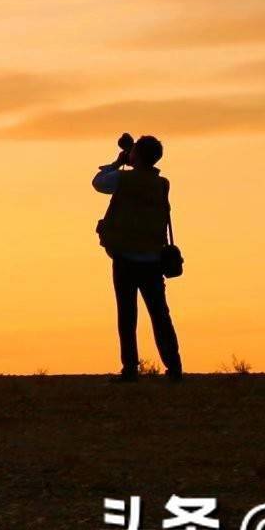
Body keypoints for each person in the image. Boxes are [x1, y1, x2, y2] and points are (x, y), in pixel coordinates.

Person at [92, 133, 181, 379]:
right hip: (153, 258)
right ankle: (174, 367)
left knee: (127, 315)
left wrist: (117, 162)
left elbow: (98, 182)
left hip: (125, 257)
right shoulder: (162, 184)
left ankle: (130, 368)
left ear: (137, 156)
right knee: (160, 315)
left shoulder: (124, 179)